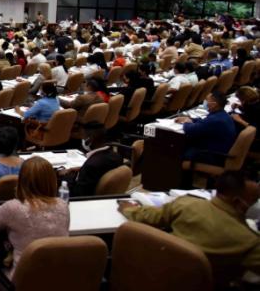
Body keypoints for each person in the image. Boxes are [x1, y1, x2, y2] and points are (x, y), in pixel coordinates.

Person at [118, 171, 260, 287]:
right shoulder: (250, 242)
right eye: (254, 200)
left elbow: (149, 216)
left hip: (155, 276)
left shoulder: (186, 204)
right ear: (237, 202)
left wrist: (130, 209)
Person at [0, 156, 70, 277]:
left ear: (21, 180)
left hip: (21, 281)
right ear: (53, 181)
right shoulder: (63, 205)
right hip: (58, 279)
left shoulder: (13, 208)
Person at [59, 123, 123, 196]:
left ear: (89, 139)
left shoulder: (91, 165)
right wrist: (80, 169)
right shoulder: (116, 156)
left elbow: (79, 194)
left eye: (83, 137)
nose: (81, 140)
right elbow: (99, 170)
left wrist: (65, 177)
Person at [176, 91, 238, 166]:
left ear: (214, 104)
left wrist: (186, 122)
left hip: (211, 155)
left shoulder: (215, 120)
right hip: (219, 149)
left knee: (177, 150)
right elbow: (204, 122)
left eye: (206, 100)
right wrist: (192, 119)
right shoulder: (222, 115)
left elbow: (191, 130)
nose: (204, 102)